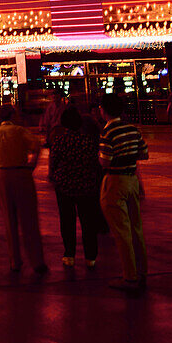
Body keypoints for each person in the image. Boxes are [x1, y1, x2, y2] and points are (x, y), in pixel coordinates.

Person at [98, 93, 149, 293]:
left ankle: (129, 277)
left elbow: (105, 161)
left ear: (104, 110)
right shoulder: (132, 129)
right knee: (136, 228)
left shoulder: (108, 131)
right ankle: (142, 272)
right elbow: (144, 154)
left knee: (121, 232)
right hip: (132, 180)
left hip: (115, 181)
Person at [0, 104, 48, 275]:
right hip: (21, 173)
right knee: (29, 219)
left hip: (3, 175)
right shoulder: (19, 131)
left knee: (9, 220)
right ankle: (37, 261)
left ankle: (15, 260)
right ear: (13, 115)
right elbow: (37, 146)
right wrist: (33, 163)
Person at [48, 106, 101, 268]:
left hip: (64, 186)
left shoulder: (60, 141)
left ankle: (69, 254)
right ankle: (90, 256)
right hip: (86, 185)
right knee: (88, 221)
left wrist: (55, 176)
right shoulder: (87, 141)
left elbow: (54, 162)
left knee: (67, 220)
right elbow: (95, 163)